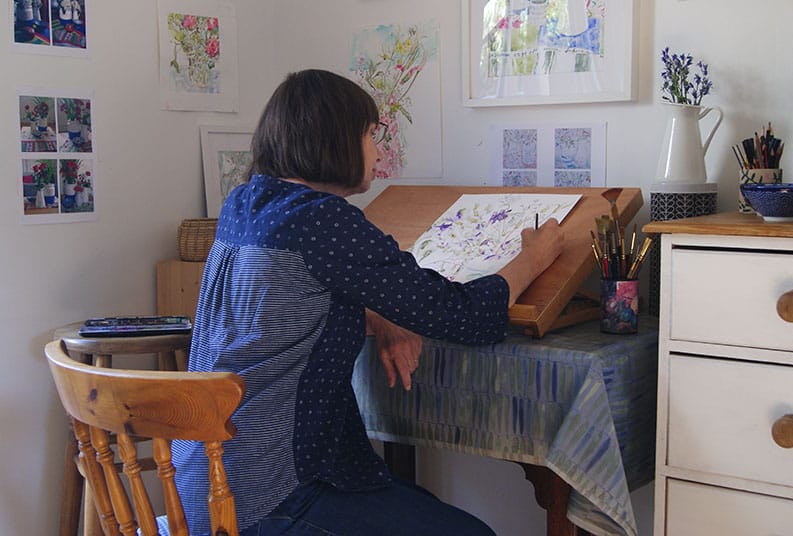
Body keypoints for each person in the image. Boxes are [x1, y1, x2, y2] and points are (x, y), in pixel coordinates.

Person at [172, 68, 564, 536]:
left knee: (417, 503)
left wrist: (382, 316)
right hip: (268, 495)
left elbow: (288, 302)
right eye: (369, 134)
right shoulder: (323, 220)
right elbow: (463, 314)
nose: (377, 151)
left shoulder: (245, 205)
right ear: (334, 139)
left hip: (203, 482)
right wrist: (534, 258)